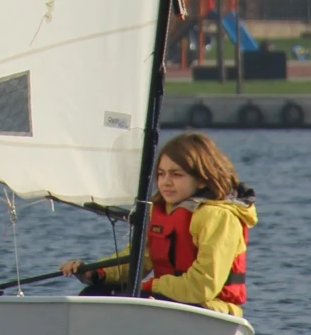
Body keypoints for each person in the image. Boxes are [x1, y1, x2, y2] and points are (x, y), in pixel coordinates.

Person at [60, 131, 257, 314]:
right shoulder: (160, 212)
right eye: (161, 174)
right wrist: (97, 272)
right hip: (171, 301)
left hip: (210, 309)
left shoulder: (218, 217)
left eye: (176, 174)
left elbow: (203, 285)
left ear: (202, 180)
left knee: (132, 300)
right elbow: (138, 260)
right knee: (92, 296)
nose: (166, 182)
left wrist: (150, 286)